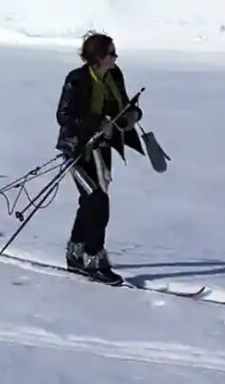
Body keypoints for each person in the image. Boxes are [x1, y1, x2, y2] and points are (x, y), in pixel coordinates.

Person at [55, 31, 143, 285]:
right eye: (112, 53)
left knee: (90, 201)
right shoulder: (77, 79)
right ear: (98, 57)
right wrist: (95, 123)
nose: (116, 57)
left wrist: (132, 115)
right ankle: (94, 258)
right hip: (77, 150)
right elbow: (64, 116)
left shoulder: (115, 76)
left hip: (102, 149)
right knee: (97, 202)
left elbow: (122, 106)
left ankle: (76, 251)